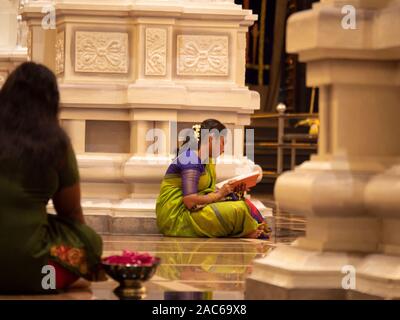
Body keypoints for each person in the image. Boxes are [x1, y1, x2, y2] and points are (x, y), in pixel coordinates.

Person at [0, 62, 103, 293]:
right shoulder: (55, 144)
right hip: (34, 273)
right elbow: (71, 213)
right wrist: (87, 252)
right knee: (91, 240)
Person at [156, 119, 269, 239]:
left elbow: (207, 190)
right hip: (177, 217)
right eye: (222, 143)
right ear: (210, 139)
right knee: (238, 209)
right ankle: (243, 231)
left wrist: (231, 189)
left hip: (193, 210)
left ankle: (246, 229)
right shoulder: (190, 159)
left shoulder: (208, 160)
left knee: (241, 201)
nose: (224, 148)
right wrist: (220, 194)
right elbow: (190, 201)